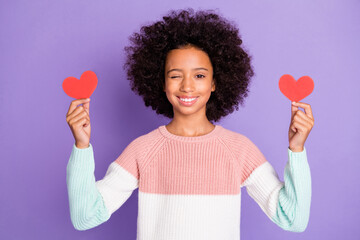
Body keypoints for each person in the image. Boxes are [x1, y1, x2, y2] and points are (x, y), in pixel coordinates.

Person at [65, 8, 314, 240]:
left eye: (199, 75)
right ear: (161, 83)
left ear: (215, 82)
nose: (187, 86)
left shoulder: (239, 150)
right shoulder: (143, 150)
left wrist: (297, 150)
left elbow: (292, 219)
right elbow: (85, 217)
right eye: (175, 75)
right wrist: (82, 146)